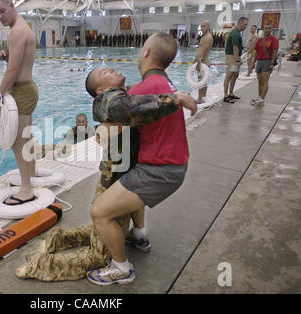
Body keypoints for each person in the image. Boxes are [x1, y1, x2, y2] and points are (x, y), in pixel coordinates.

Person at [15, 68, 196, 281]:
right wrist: (175, 99)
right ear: (100, 90)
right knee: (99, 254)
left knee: (102, 227)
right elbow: (133, 108)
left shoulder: (128, 94)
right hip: (114, 182)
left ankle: (136, 234)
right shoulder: (106, 101)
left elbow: (143, 100)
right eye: (103, 73)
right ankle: (41, 265)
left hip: (129, 177)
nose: (109, 68)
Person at [85, 33, 192, 286]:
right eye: (103, 72)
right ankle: (140, 234)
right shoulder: (162, 83)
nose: (110, 68)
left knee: (99, 212)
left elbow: (130, 108)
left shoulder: (141, 91)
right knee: (131, 178)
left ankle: (121, 269)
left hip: (159, 171)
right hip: (169, 165)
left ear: (145, 53)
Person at [0, 0, 39, 205]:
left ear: (12, 6)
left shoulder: (16, 31)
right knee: (25, 138)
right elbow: (18, 63)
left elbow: (13, 72)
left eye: (3, 11)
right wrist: (7, 57)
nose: (0, 16)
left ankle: (26, 189)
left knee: (18, 142)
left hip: (21, 91)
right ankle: (32, 173)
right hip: (26, 88)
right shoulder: (21, 27)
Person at [250, 23, 279, 106]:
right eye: (265, 28)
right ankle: (259, 97)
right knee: (260, 81)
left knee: (265, 81)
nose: (266, 30)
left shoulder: (274, 40)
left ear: (271, 29)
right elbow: (256, 52)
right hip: (259, 61)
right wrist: (253, 63)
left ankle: (262, 99)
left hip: (267, 61)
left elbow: (274, 52)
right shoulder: (260, 40)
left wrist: (271, 64)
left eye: (268, 28)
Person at [222, 17, 249, 104]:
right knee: (229, 76)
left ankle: (231, 93)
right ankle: (225, 96)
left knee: (235, 75)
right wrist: (237, 60)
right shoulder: (235, 34)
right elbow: (235, 48)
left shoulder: (237, 33)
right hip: (232, 57)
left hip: (235, 57)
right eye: (245, 24)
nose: (246, 26)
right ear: (240, 23)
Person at [194, 20, 213, 104]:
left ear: (208, 27)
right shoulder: (204, 36)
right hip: (202, 61)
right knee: (202, 81)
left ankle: (200, 99)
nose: (202, 28)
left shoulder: (208, 37)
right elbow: (200, 51)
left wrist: (198, 63)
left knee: (201, 81)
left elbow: (203, 52)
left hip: (203, 62)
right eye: (201, 26)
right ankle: (202, 98)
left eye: (204, 26)